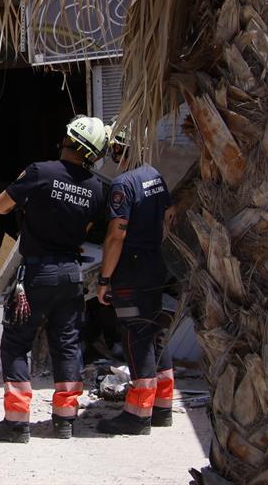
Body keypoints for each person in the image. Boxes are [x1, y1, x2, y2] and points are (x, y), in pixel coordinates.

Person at [0, 115, 109, 443]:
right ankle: (65, 420)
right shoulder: (96, 188)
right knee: (66, 345)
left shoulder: (41, 172)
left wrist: (25, 187)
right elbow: (83, 232)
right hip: (70, 276)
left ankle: (16, 422)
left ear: (66, 139)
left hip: (35, 276)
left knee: (15, 342)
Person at [96, 126, 176, 435]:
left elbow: (117, 234)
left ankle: (138, 414)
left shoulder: (122, 183)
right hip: (155, 263)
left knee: (136, 335)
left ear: (119, 149)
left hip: (131, 270)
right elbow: (170, 212)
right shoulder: (154, 175)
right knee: (156, 330)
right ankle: (162, 407)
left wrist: (104, 278)